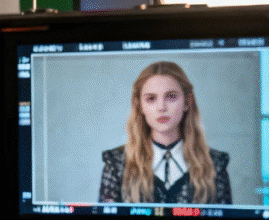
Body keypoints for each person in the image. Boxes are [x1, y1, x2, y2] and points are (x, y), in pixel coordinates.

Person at [99, 60, 232, 204]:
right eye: (151, 98)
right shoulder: (116, 163)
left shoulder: (215, 164)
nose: (161, 107)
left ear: (187, 102)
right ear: (140, 106)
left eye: (171, 96)